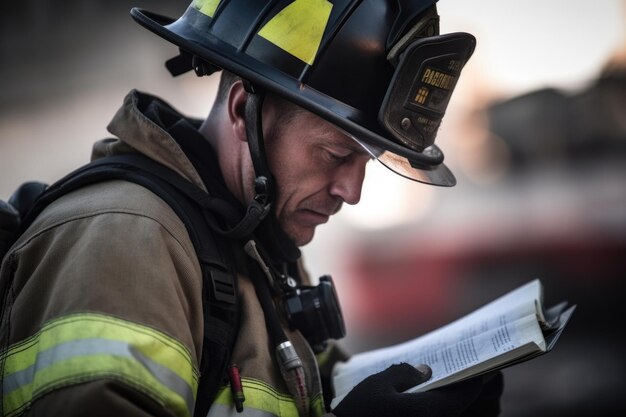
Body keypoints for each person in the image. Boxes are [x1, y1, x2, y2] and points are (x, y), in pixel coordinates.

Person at [0, 1, 503, 417]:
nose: (352, 191)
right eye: (335, 154)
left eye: (366, 161)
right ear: (243, 110)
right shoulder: (126, 239)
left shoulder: (259, 247)